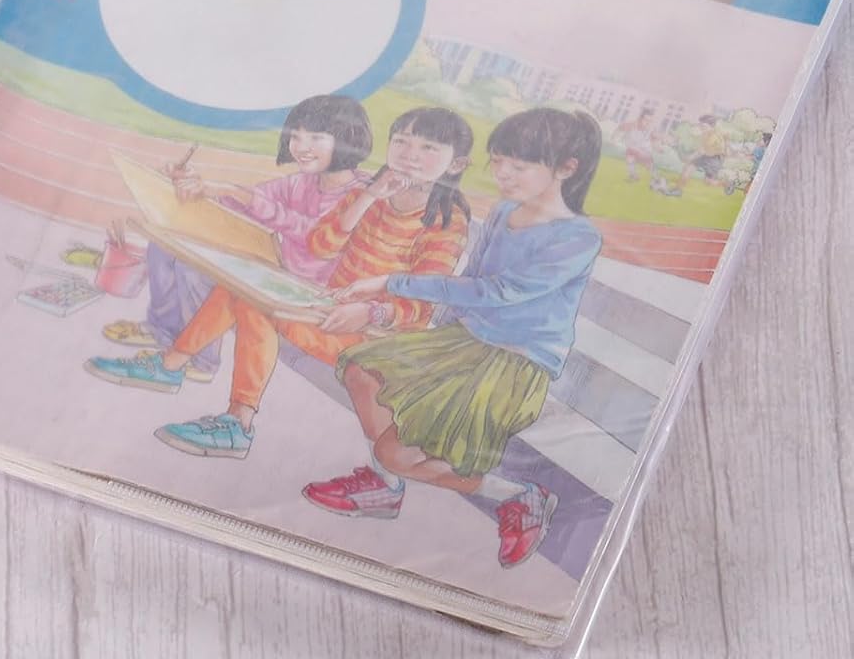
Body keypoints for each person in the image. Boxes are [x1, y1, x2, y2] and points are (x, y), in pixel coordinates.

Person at [304, 107, 603, 571]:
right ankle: (386, 485)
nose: (503, 174)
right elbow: (471, 278)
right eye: (498, 162)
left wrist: (392, 283)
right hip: (462, 340)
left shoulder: (578, 238)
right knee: (362, 368)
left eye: (518, 166)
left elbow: (496, 292)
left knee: (395, 451)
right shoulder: (504, 212)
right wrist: (425, 335)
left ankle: (519, 496)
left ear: (566, 169)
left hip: (514, 362)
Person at [85, 107, 474, 462]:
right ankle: (183, 375)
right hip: (330, 308)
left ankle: (232, 418)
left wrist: (370, 312)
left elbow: (423, 303)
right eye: (402, 141)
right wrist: (368, 198)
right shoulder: (366, 193)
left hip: (375, 336)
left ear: (456, 163)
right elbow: (321, 246)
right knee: (244, 288)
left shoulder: (447, 222)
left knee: (255, 304)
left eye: (428, 148)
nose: (409, 154)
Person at [99, 96, 375, 382]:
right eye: (296, 136)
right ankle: (163, 332)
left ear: (347, 138)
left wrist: (232, 193)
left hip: (315, 295)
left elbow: (315, 236)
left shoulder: (364, 195)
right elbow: (247, 202)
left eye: (315, 137)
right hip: (284, 278)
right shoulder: (302, 182)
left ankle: (199, 360)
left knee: (201, 270)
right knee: (166, 246)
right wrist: (195, 185)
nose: (302, 147)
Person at [618, 109, 657, 184]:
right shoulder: (632, 124)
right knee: (630, 159)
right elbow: (620, 128)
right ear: (640, 118)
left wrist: (657, 146)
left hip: (644, 150)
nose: (647, 122)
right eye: (646, 120)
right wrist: (615, 138)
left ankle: (656, 178)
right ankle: (634, 176)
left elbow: (654, 138)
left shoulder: (650, 129)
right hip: (633, 148)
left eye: (650, 121)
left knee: (648, 165)